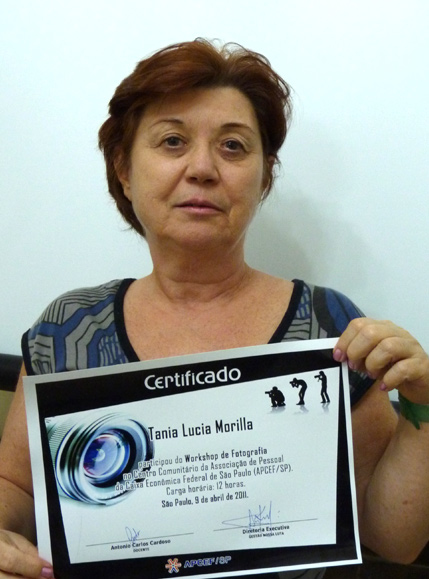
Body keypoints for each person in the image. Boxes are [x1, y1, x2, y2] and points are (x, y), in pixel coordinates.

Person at [0, 39, 428, 579]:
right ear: (124, 170)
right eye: (172, 141)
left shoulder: (330, 327)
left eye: (232, 146)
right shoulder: (68, 328)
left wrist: (423, 405)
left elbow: (393, 540)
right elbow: (16, 487)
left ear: (264, 176)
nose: (202, 168)